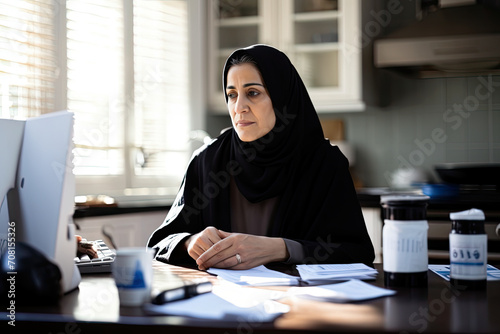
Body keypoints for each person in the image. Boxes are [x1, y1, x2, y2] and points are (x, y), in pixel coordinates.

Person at [147, 44, 374, 270]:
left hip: (300, 302)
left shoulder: (324, 164)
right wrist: (189, 242)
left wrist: (280, 248)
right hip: (221, 300)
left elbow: (356, 251)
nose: (239, 107)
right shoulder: (206, 161)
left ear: (282, 97)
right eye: (232, 95)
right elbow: (159, 244)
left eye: (253, 93)